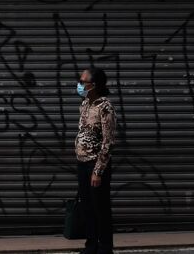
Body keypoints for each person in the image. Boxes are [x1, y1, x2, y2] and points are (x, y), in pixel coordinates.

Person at [74, 66, 117, 254]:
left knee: (101, 209)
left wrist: (98, 170)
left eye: (83, 82)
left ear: (94, 85)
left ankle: (105, 248)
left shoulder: (105, 107)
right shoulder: (84, 104)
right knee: (87, 209)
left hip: (96, 165)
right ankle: (90, 246)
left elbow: (108, 142)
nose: (79, 84)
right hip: (82, 163)